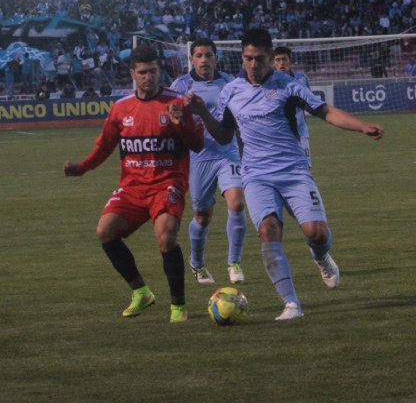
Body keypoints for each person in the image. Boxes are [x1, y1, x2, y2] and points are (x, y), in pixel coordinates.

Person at [184, 28, 384, 320]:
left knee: (316, 233)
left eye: (260, 59)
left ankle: (321, 257)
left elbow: (325, 111)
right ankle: (291, 304)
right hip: (256, 175)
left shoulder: (288, 86)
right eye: (248, 59)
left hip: (293, 171)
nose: (253, 65)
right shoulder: (232, 91)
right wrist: (203, 114)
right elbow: (225, 136)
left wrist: (362, 126)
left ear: (269, 56)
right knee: (268, 231)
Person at [63, 43, 204, 323]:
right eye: (142, 72)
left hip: (167, 184)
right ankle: (142, 292)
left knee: (166, 236)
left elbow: (197, 144)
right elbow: (104, 147)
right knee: (105, 231)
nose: (148, 77)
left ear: (159, 70)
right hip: (132, 188)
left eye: (153, 71)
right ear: (132, 74)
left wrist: (181, 124)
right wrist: (82, 168)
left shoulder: (178, 102)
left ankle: (178, 306)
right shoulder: (120, 108)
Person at [170, 38, 247, 285]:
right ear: (191, 59)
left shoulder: (231, 83)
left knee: (236, 203)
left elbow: (240, 121)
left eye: (208, 55)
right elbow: (171, 122)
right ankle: (197, 262)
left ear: (216, 57)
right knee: (203, 216)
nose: (204, 59)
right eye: (199, 55)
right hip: (198, 158)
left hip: (228, 153)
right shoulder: (181, 85)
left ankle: (234, 262)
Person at [272, 45, 313, 167]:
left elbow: (309, 101)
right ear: (273, 63)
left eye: (284, 59)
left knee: (304, 169)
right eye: (278, 60)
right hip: (278, 134)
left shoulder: (301, 78)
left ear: (290, 61)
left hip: (300, 132)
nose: (282, 63)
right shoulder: (269, 81)